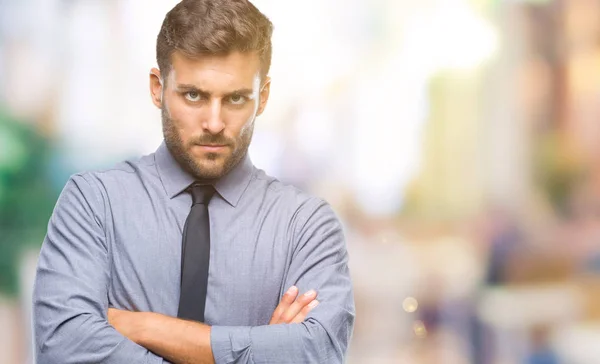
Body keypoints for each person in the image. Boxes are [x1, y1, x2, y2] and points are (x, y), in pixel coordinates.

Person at [32, 0, 355, 363]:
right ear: (157, 88)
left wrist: (142, 326)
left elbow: (317, 352)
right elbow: (64, 347)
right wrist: (261, 349)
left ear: (262, 97)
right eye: (193, 95)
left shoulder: (306, 225)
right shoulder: (93, 202)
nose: (214, 123)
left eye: (235, 98)